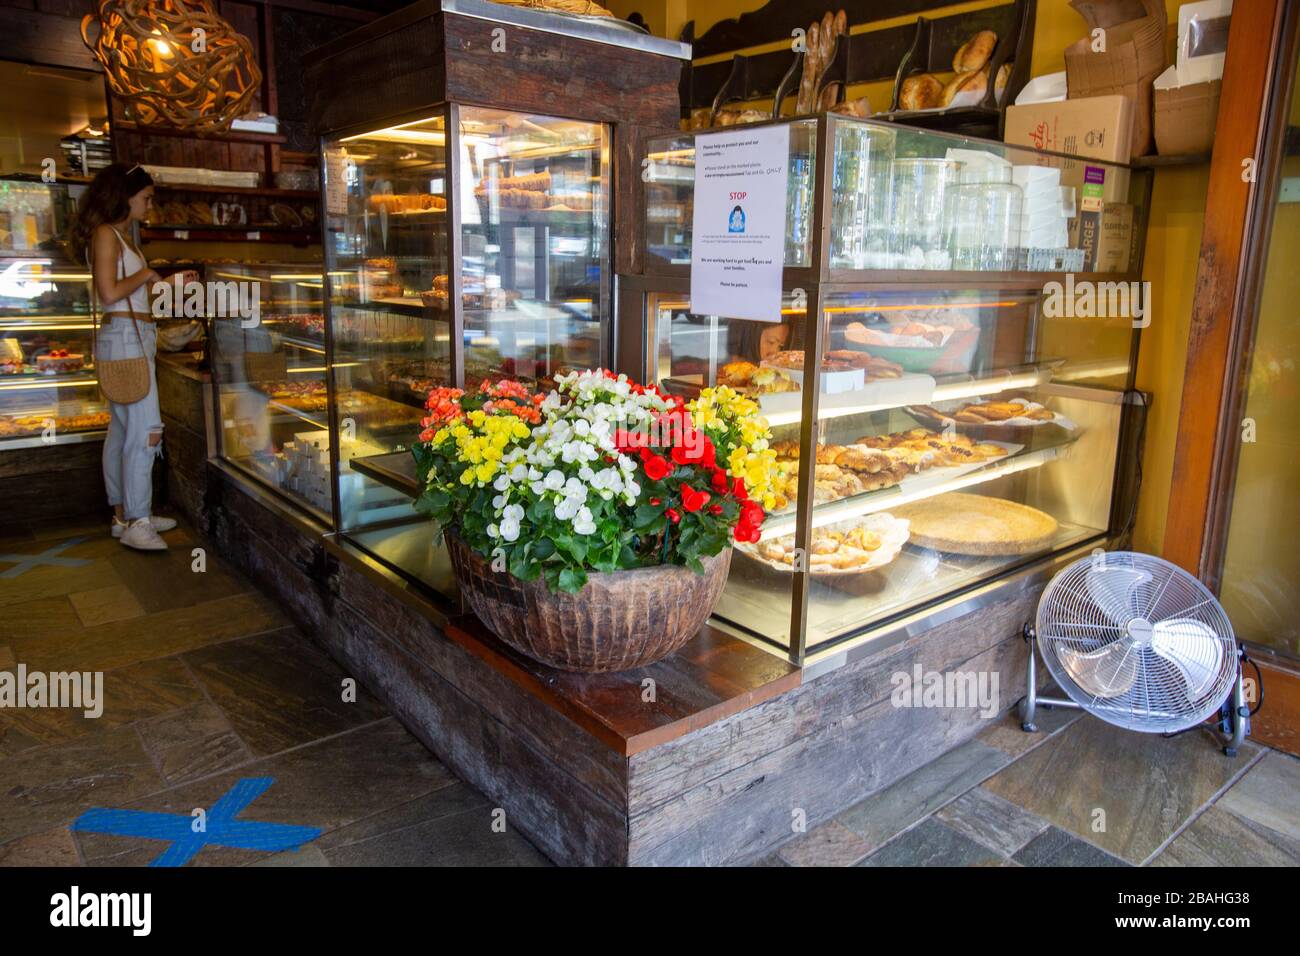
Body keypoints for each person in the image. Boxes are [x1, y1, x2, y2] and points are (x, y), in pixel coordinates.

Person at [69, 164, 195, 551]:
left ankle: (125, 514)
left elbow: (130, 294)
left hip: (129, 336)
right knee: (146, 431)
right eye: (146, 198)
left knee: (123, 431)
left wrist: (165, 282)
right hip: (126, 339)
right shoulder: (108, 234)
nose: (150, 204)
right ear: (124, 196)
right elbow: (110, 293)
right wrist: (148, 275)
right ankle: (138, 521)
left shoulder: (119, 237)